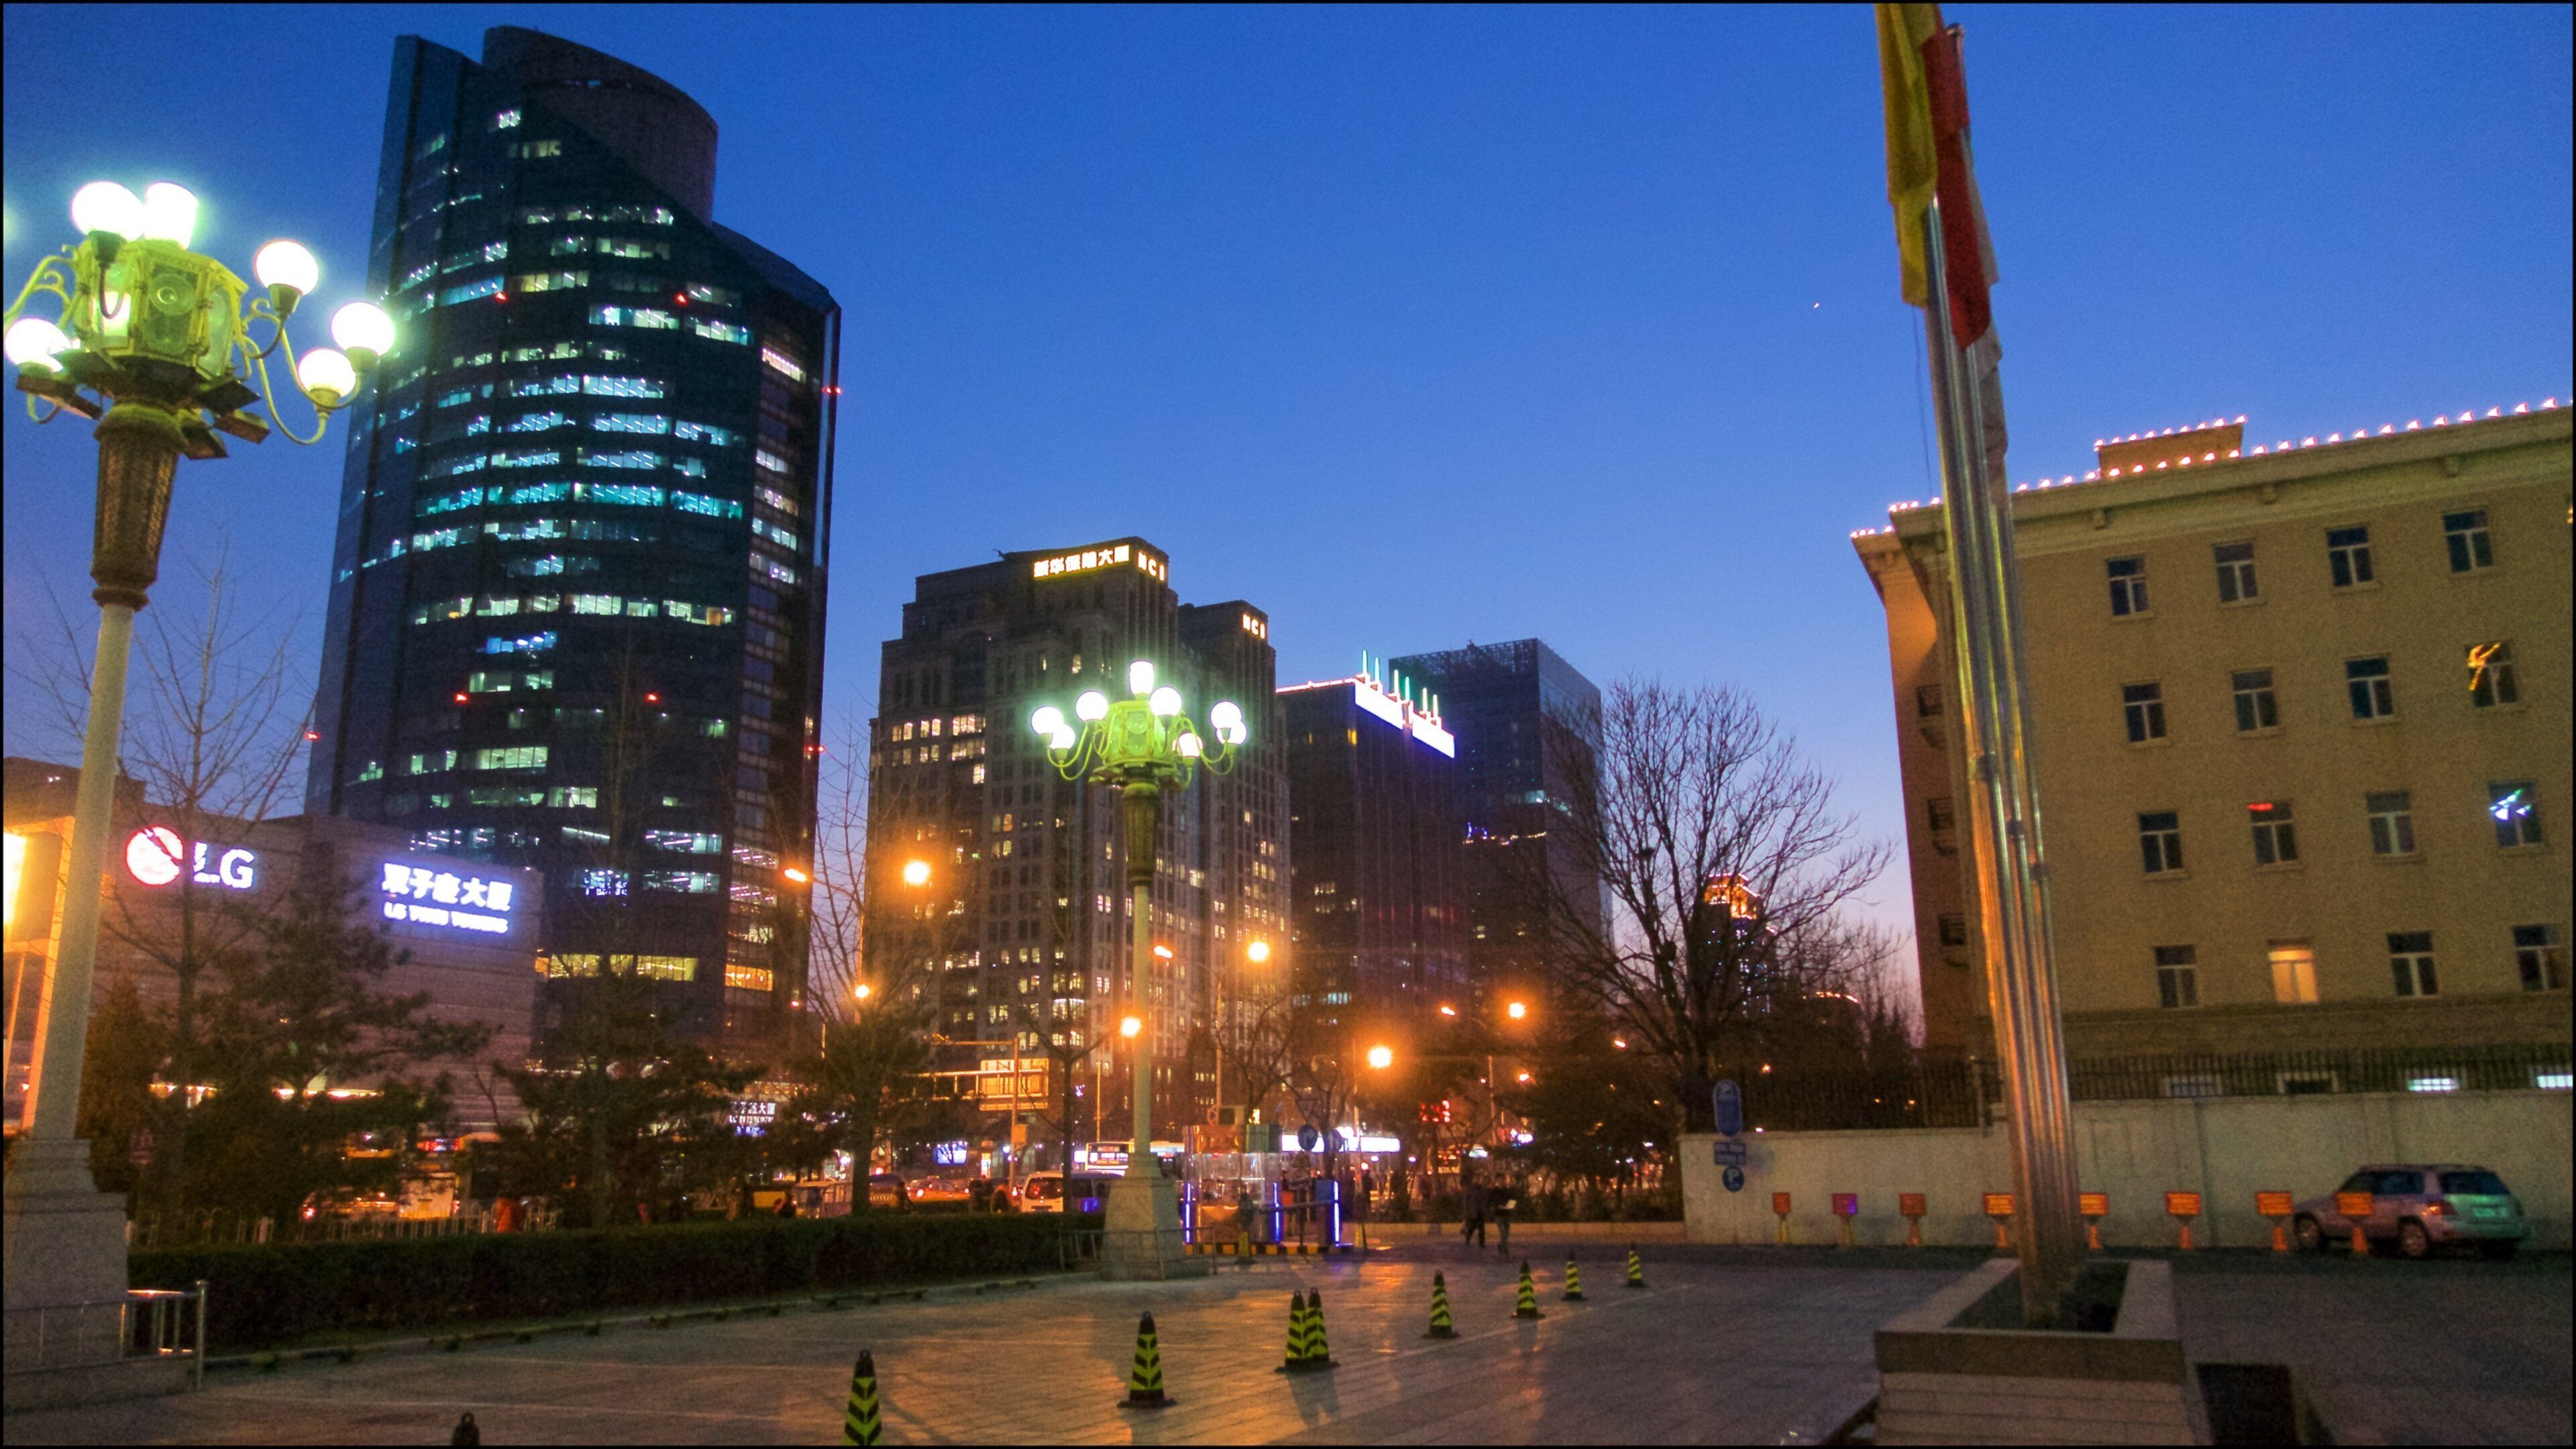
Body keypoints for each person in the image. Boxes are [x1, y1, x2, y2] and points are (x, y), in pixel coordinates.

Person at [1460, 1172, 1489, 1248]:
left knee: (1481, 1229)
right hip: (1472, 1212)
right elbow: (1466, 1202)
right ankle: (1468, 1239)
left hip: (1480, 1211)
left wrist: (1484, 1210)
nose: (1477, 1180)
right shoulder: (1469, 1189)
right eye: (1476, 1178)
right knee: (1472, 1228)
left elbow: (1484, 1200)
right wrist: (1466, 1212)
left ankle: (1481, 1244)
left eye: (1478, 1179)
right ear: (1473, 1180)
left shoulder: (1481, 1188)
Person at [1494, 1176, 1519, 1256]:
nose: (1501, 1181)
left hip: (1507, 1213)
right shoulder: (1494, 1191)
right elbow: (1491, 1202)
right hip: (1499, 1214)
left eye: (1502, 1180)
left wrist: (1512, 1206)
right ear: (1497, 1181)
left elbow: (1512, 1199)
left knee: (1507, 1233)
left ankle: (1501, 1245)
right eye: (1500, 1180)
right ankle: (1505, 1248)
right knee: (1503, 1232)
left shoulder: (1507, 1191)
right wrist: (1497, 1206)